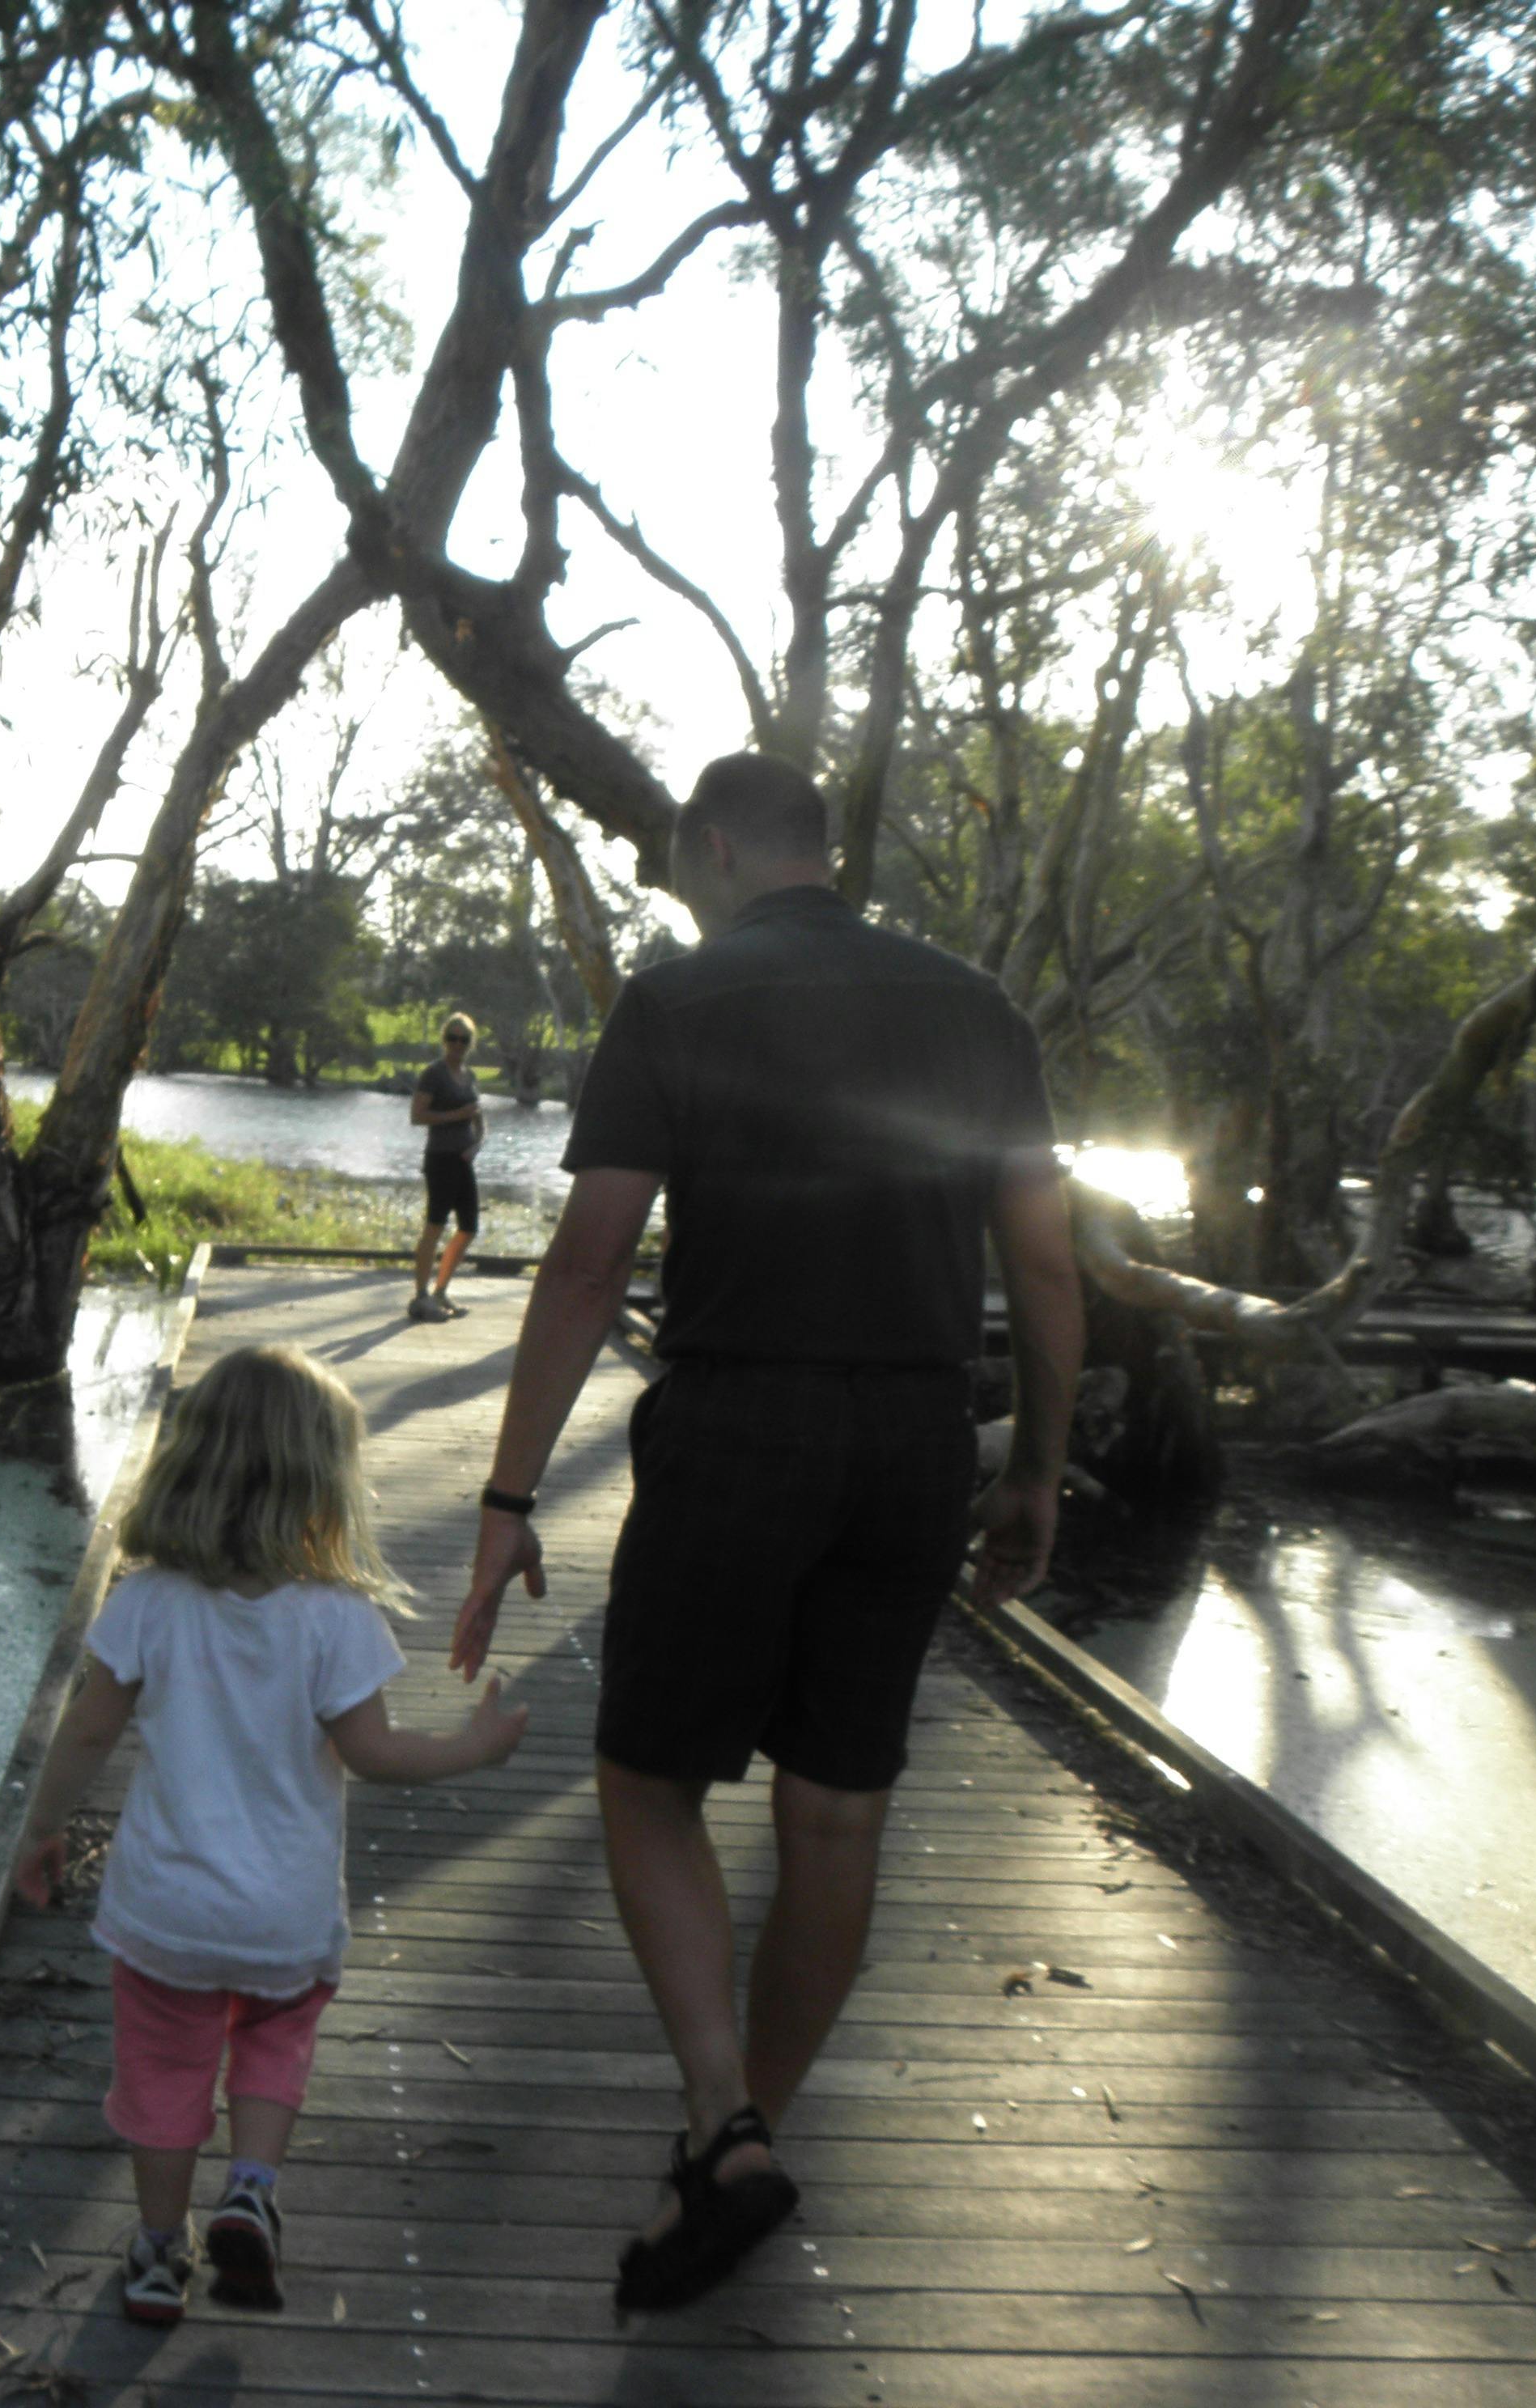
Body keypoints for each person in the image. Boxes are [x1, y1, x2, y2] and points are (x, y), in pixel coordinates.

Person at [450, 752, 1084, 2317]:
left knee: (645, 1778)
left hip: (737, 1425)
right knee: (836, 1816)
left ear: (719, 848)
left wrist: (507, 1497)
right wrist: (1036, 1474)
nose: (686, 899)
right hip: (913, 1438)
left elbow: (589, 1264)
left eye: (684, 874)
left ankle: (721, 2111)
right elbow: (1048, 1267)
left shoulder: (678, 1001)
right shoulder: (974, 1007)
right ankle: (728, 2144)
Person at [17, 1343, 532, 2326]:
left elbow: (86, 1728)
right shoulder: (336, 1620)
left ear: (189, 1462)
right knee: (272, 2040)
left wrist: (42, 1830)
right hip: (284, 1914)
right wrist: (471, 1747)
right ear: (323, 1482)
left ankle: (157, 2258)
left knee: (163, 2075)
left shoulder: (146, 1602)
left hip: (165, 1910)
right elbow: (374, 1753)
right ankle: (248, 2190)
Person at [408, 1012, 486, 1321]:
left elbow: (480, 1119)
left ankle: (441, 1290)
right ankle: (422, 1295)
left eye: (463, 1039)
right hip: (440, 1158)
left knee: (468, 1227)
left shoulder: (470, 1076)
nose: (457, 1044)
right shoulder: (433, 1074)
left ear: (470, 1044)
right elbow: (417, 1117)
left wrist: (477, 1144)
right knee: (435, 1225)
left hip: (463, 1159)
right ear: (444, 1040)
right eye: (451, 1038)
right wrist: (457, 1115)